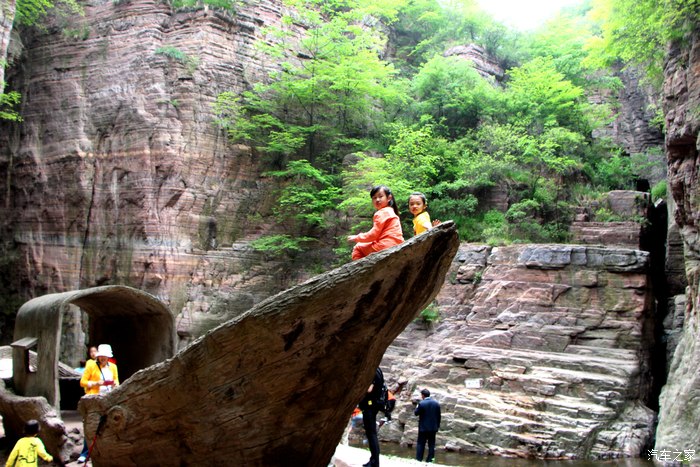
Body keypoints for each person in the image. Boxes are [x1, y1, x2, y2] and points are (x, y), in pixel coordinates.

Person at [347, 185, 404, 260]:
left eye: (380, 196)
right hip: (398, 245)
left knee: (358, 247)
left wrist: (356, 238)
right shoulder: (391, 211)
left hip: (385, 246)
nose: (377, 200)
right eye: (374, 198)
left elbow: (373, 235)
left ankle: (362, 267)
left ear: (389, 198)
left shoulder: (382, 212)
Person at [358, 368, 385, 467]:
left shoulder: (373, 371)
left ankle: (375, 462)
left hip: (369, 406)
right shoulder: (379, 371)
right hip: (374, 405)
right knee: (372, 434)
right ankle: (373, 460)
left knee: (371, 434)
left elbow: (369, 389)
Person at [76, 345, 98, 462]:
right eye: (91, 352)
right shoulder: (90, 364)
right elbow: (83, 382)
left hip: (106, 398)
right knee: (89, 426)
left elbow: (116, 381)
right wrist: (95, 384)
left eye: (95, 351)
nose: (93, 353)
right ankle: (85, 453)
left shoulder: (111, 366)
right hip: (91, 398)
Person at [414, 388, 441, 463]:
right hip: (433, 428)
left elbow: (416, 413)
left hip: (423, 428)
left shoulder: (421, 403)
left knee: (421, 444)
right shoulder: (436, 403)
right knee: (431, 444)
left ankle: (419, 459)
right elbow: (439, 416)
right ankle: (430, 460)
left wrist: (417, 406)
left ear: (423, 395)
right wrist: (437, 426)